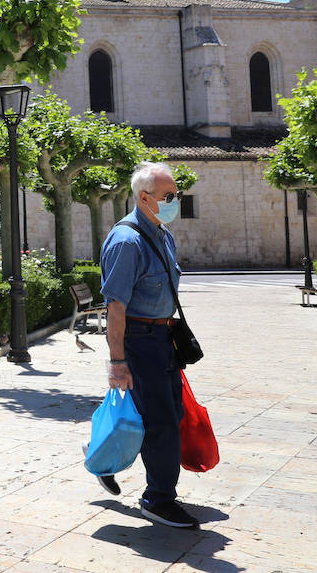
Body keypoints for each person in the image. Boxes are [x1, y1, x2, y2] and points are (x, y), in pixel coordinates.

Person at [98, 161, 199, 529]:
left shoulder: (163, 233)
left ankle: (103, 458)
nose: (175, 201)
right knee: (160, 422)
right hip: (139, 340)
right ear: (144, 198)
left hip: (163, 338)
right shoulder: (127, 241)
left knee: (166, 413)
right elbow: (116, 307)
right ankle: (158, 499)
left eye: (177, 195)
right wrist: (118, 361)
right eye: (169, 196)